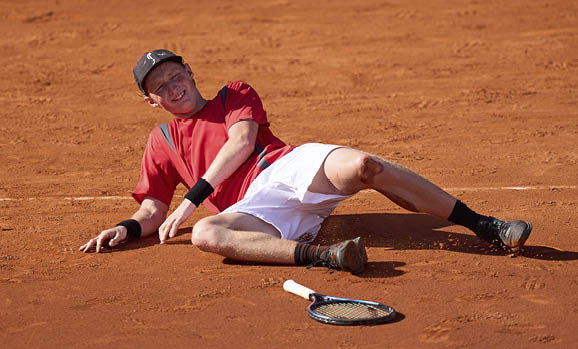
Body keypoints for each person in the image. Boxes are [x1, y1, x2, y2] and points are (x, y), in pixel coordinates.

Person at [79, 49, 533, 274]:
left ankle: (485, 226)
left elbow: (240, 143)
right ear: (152, 101)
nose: (173, 86)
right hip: (257, 213)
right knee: (206, 233)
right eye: (160, 86)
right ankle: (328, 256)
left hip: (286, 169)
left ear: (190, 72)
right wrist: (126, 227)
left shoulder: (233, 94)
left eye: (176, 75)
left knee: (364, 166)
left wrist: (193, 198)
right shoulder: (160, 141)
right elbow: (154, 209)